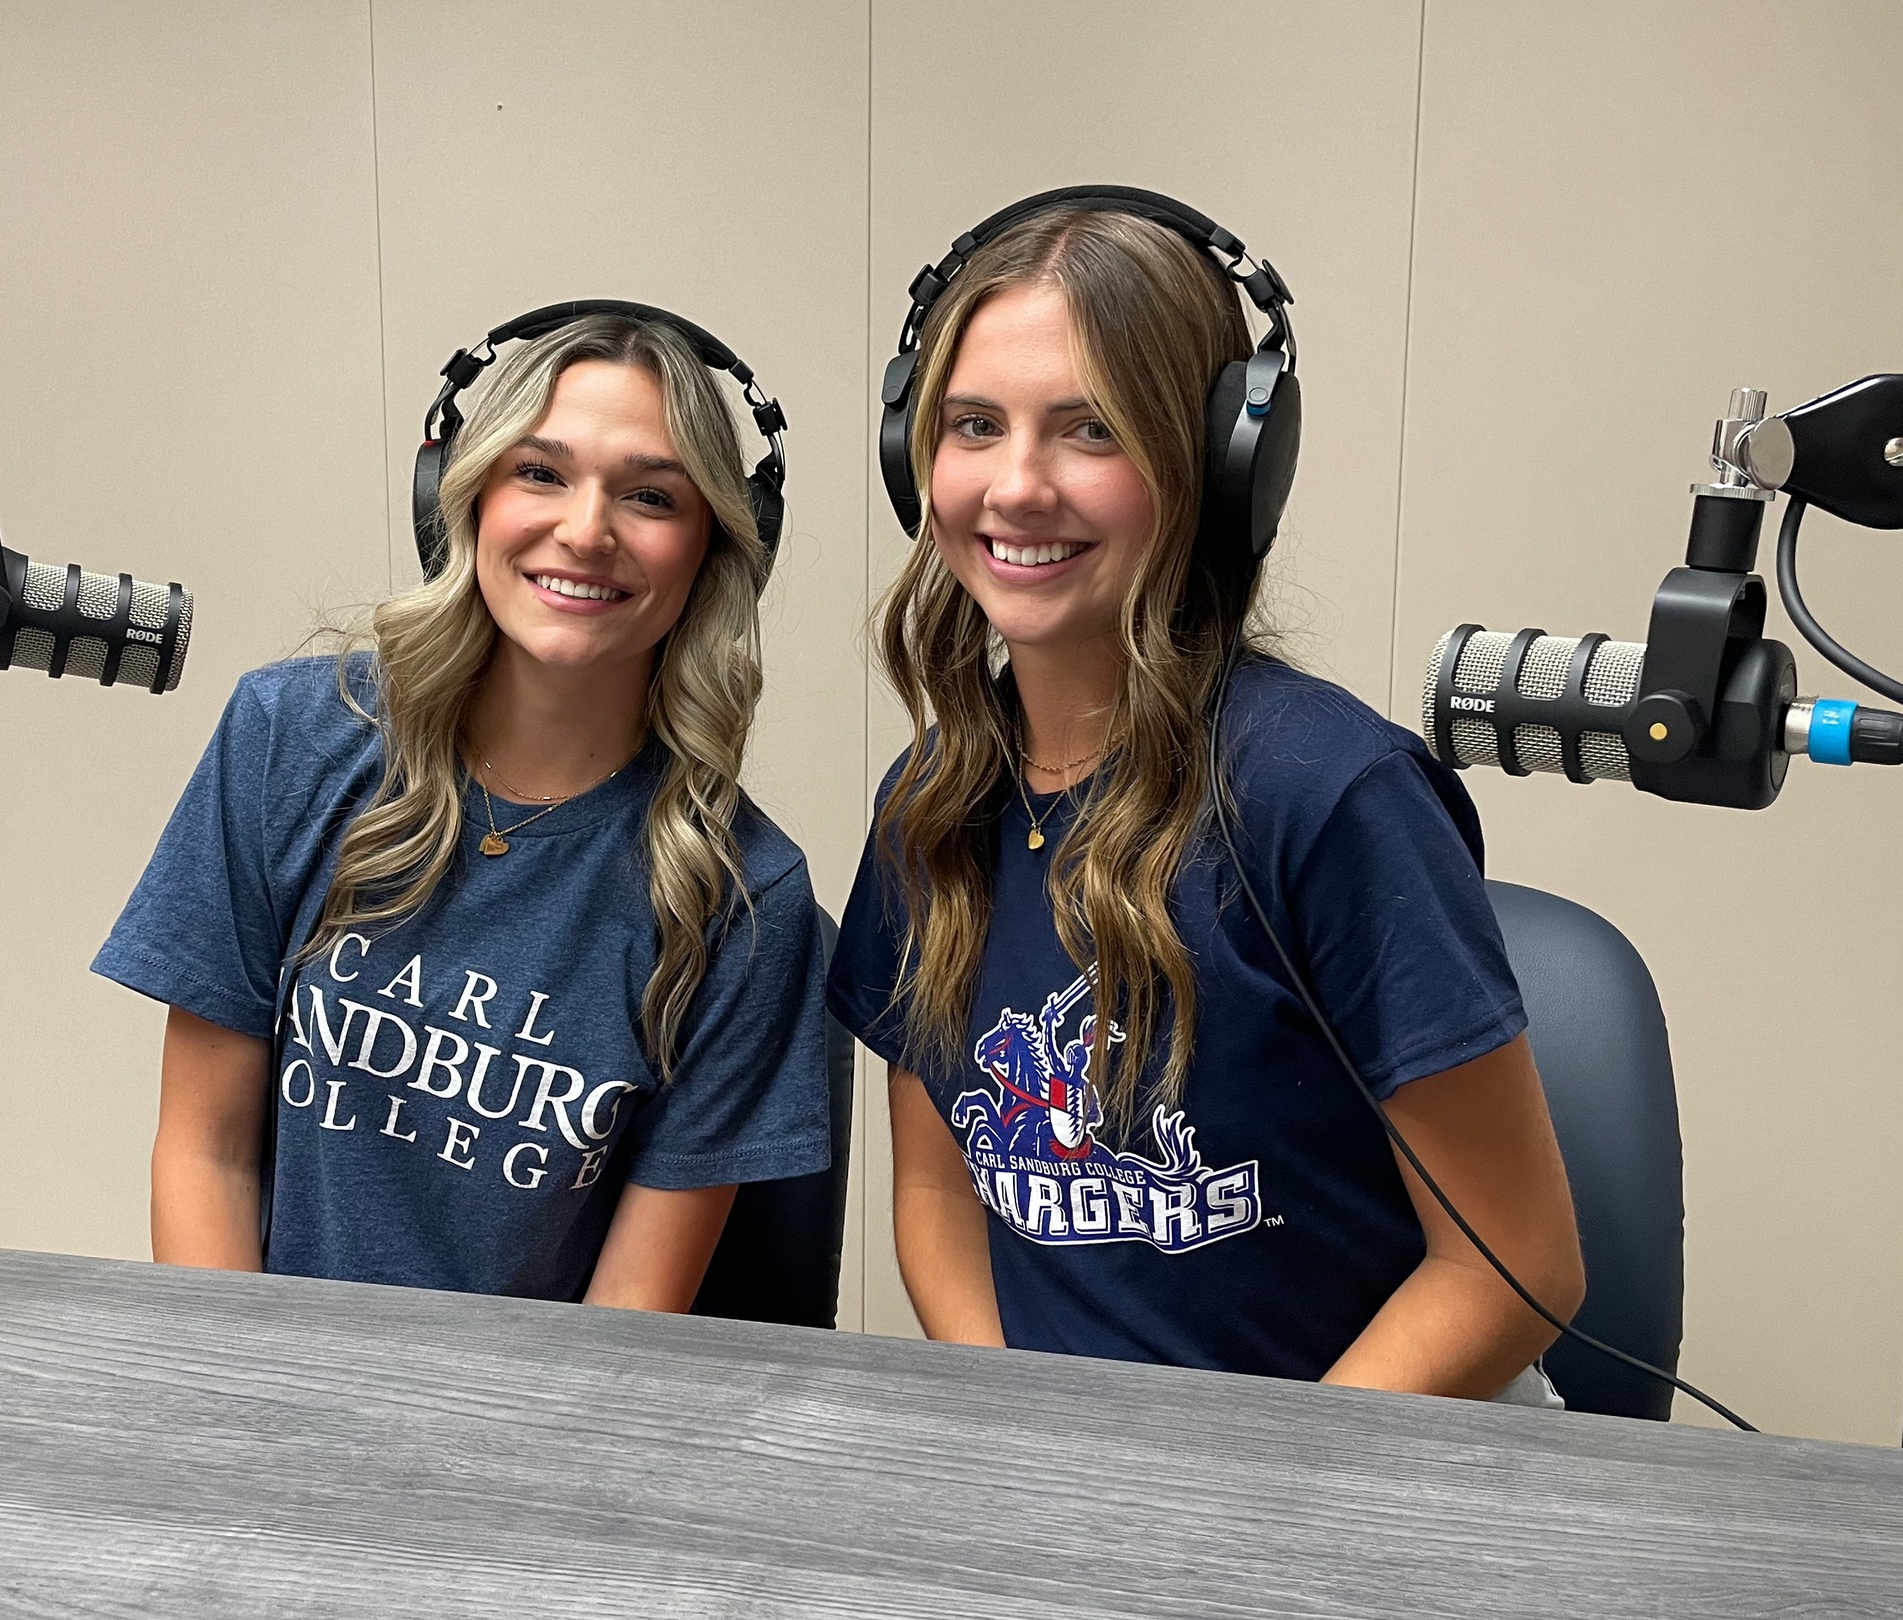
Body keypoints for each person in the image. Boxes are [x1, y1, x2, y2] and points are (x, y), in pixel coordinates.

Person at [828, 201, 1586, 1400]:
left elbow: (1515, 1268)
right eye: (974, 425)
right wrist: (1011, 1437)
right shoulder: (930, 804)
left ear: (1216, 464)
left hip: (1355, 1466)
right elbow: (935, 1189)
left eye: (1090, 430)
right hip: (1071, 1478)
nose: (1017, 485)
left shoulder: (1327, 796)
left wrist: (1237, 1516)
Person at [95, 310, 830, 1311]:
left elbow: (631, 1317)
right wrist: (246, 1420)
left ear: (711, 549)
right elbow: (205, 1151)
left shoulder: (745, 894)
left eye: (650, 495)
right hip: (265, 1399)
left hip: (531, 1435)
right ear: (465, 498)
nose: (585, 529)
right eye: (540, 472)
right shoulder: (289, 737)